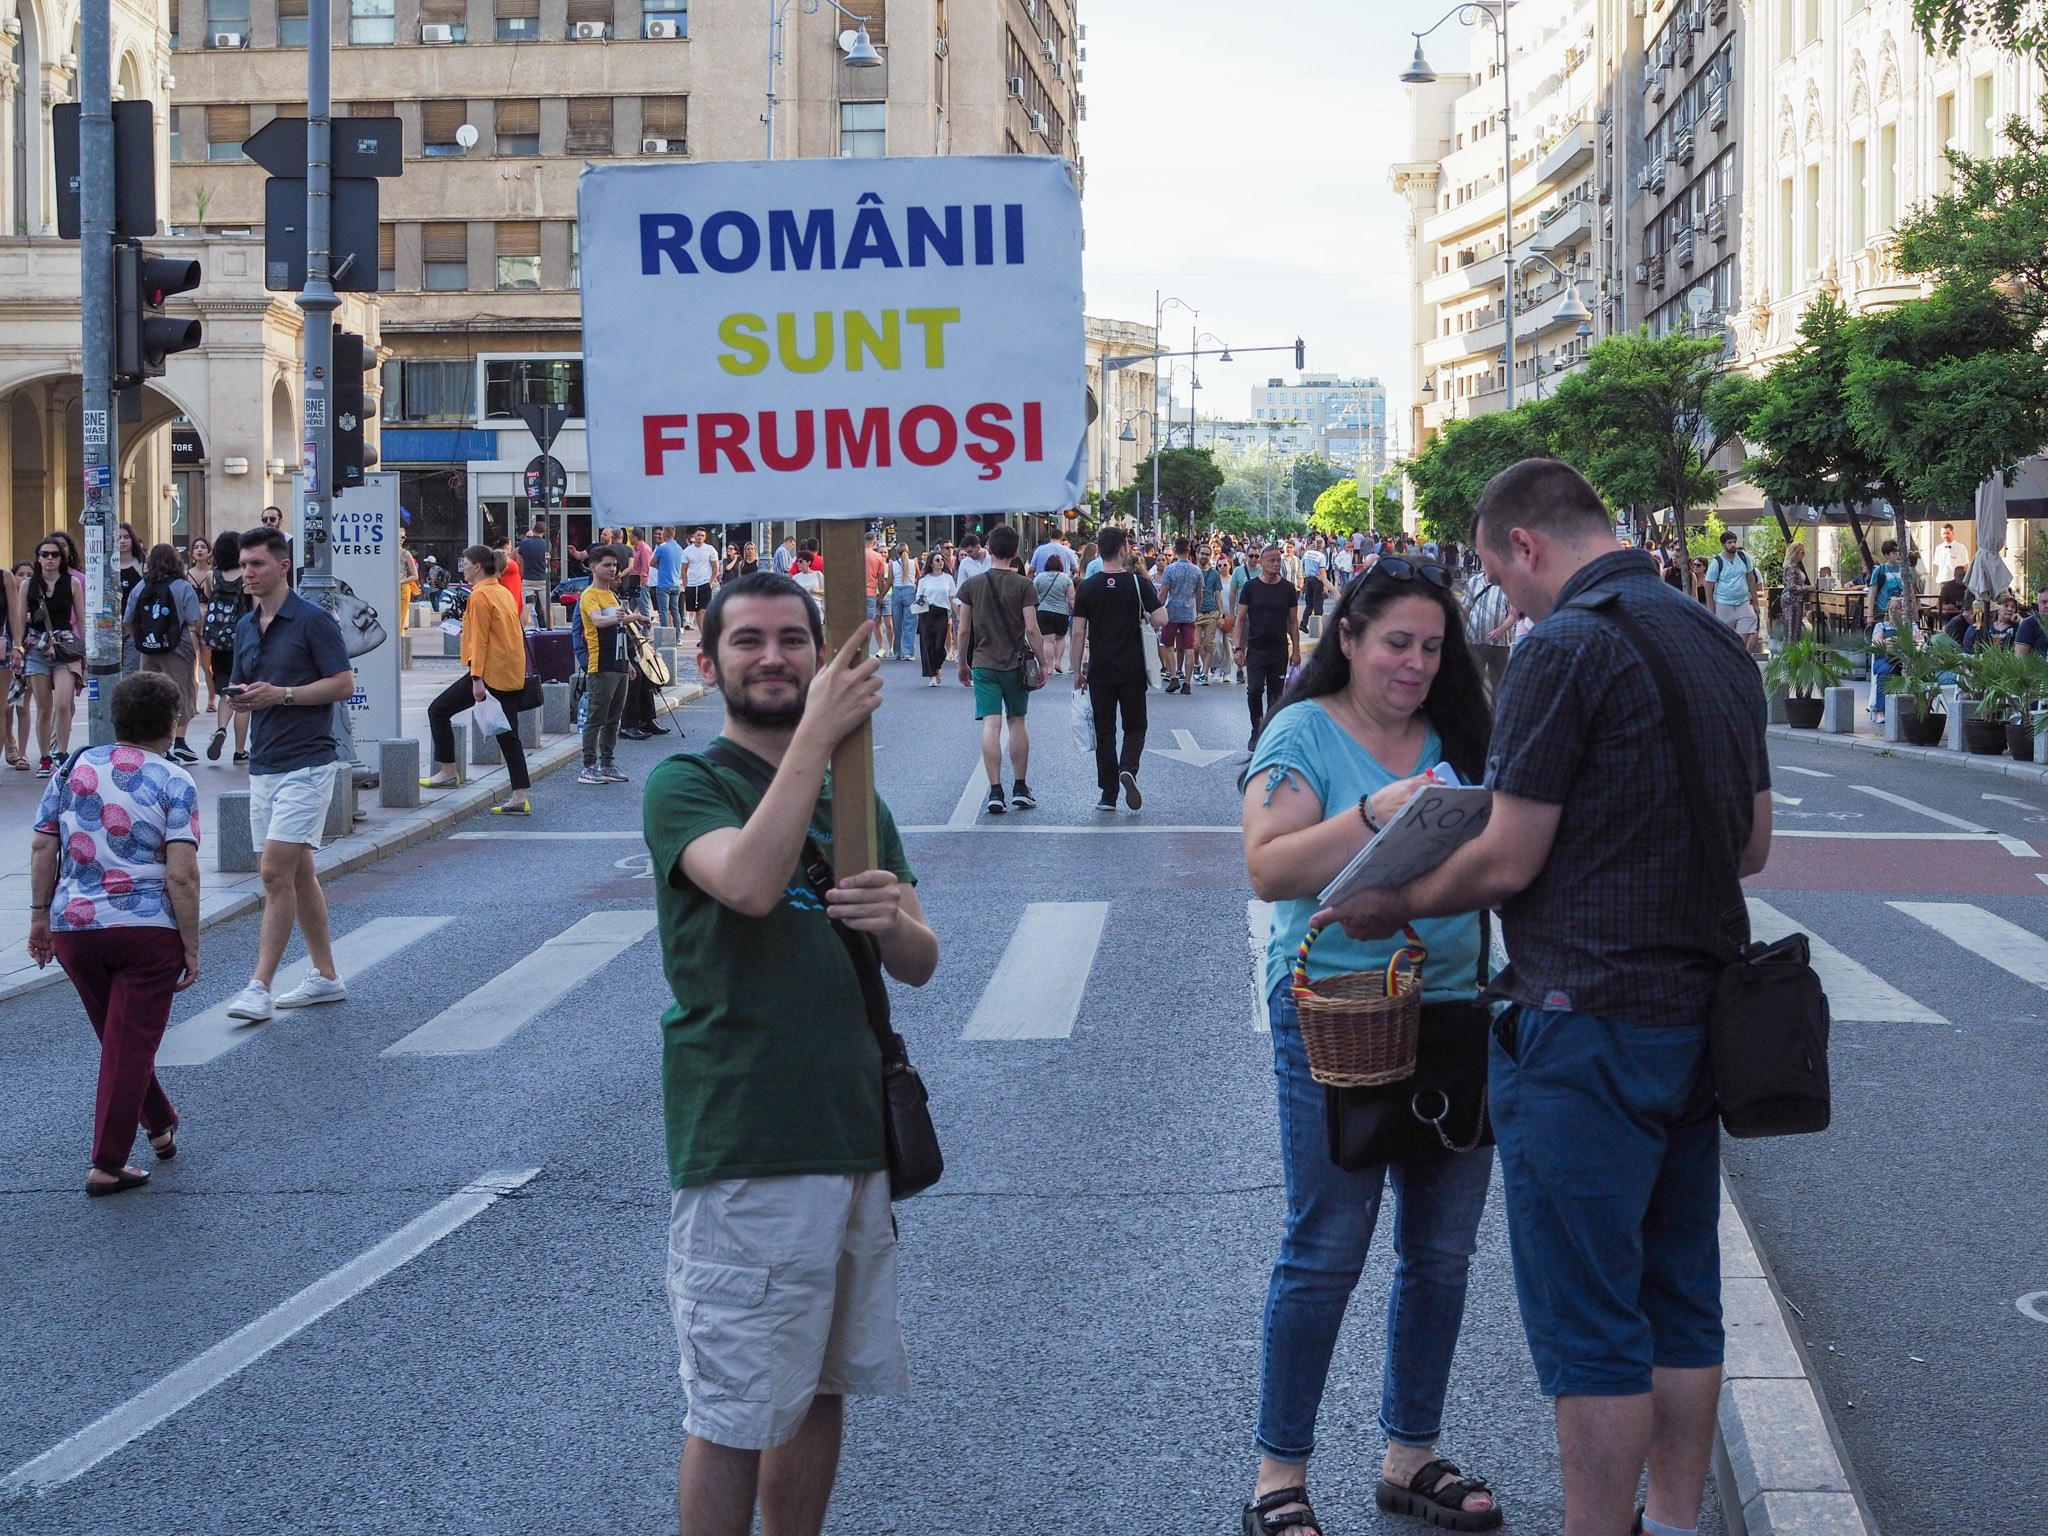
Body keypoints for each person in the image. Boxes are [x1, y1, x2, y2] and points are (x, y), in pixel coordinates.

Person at [1316, 459, 1771, 1536]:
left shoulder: (1562, 646)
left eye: (1495, 574)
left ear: (1523, 544)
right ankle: (1669, 1522)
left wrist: (1392, 899)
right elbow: (1751, 845)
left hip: (1581, 1026)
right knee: (1679, 1301)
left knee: (1589, 1327)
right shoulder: (1710, 635)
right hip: (1698, 1021)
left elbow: (1507, 858)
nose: (1503, 600)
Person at [642, 574, 937, 1536]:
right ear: (707, 663)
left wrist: (894, 922)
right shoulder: (686, 783)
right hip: (746, 1137)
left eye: (792, 641)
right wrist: (817, 735)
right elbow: (751, 884)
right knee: (732, 1413)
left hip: (850, 1132)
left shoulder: (859, 798)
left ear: (820, 654)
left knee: (819, 1389)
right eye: (747, 642)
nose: (772, 658)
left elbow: (922, 961)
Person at [1238, 549, 1501, 1536]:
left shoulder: (1456, 730)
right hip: (1334, 1012)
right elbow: (1268, 868)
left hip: (1450, 1005)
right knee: (1326, 1245)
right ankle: (1278, 1471)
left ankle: (1409, 1455)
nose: (1414, 664)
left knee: (1440, 1252)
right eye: (1395, 642)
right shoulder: (1301, 729)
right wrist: (1371, 814)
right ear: (1344, 636)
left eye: (1431, 648)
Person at [29, 672, 201, 1197]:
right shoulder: (176, 781)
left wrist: (39, 917)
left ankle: (161, 1122)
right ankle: (107, 1162)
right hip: (146, 932)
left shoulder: (74, 766)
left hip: (76, 929)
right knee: (127, 1043)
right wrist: (191, 946)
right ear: (171, 725)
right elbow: (181, 874)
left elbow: (42, 847)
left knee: (120, 1036)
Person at [221, 527, 358, 1024]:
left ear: (283, 566)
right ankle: (326, 975)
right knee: (299, 874)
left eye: (256, 564)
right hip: (264, 761)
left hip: (309, 761)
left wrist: (281, 695)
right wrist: (236, 698)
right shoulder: (245, 626)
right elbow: (244, 683)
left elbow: (343, 682)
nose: (247, 574)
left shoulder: (312, 621)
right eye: (242, 565)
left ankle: (259, 986)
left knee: (274, 872)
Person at [423, 546, 534, 814]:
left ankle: (448, 770)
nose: (462, 566)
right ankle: (519, 796)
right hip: (509, 671)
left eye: (466, 562)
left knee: (438, 710)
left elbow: (480, 640)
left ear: (478, 567)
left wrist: (476, 678)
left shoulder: (481, 595)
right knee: (509, 736)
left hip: (490, 673)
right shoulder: (502, 591)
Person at [1069, 526, 1165, 813]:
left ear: (1098, 550)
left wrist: (1076, 670)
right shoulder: (1139, 585)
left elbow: (1078, 633)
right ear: (1123, 550)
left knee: (1105, 731)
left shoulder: (1087, 586)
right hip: (1133, 669)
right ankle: (1129, 769)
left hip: (1100, 670)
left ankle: (1108, 795)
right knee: (1135, 726)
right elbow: (1161, 619)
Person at [956, 524, 1042, 814]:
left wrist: (961, 663)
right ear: (1016, 553)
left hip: (983, 663)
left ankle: (995, 791)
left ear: (988, 550)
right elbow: (1031, 627)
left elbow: (963, 628)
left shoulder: (971, 585)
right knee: (1017, 721)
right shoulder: (1024, 585)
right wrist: (1044, 662)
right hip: (1016, 664)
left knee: (991, 726)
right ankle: (1020, 787)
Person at [125, 542, 205, 764]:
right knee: (181, 692)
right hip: (178, 648)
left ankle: (155, 742)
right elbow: (193, 619)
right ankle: (179, 741)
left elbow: (128, 619)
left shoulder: (140, 587)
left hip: (148, 649)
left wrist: (140, 639)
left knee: (150, 694)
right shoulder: (182, 587)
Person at [15, 535, 87, 776]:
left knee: (63, 704)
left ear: (62, 558)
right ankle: (45, 757)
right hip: (36, 648)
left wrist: (84, 650)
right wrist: (18, 646)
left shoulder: (72, 583)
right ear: (38, 558)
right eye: (44, 554)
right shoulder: (29, 585)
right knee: (44, 708)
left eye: (54, 554)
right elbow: (19, 619)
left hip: (65, 647)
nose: (49, 558)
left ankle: (62, 753)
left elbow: (81, 617)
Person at [577, 544, 637, 785]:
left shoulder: (611, 594)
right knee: (596, 717)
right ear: (593, 567)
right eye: (607, 565)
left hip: (619, 663)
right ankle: (589, 766)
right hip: (601, 664)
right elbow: (598, 621)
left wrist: (630, 662)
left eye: (615, 565)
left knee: (614, 718)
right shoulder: (589, 595)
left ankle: (607, 763)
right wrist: (623, 616)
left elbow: (620, 627)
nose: (613, 569)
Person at [1237, 545, 1302, 750]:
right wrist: (1238, 647)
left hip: (1279, 649)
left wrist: (1297, 651)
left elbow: (1293, 622)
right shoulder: (1250, 587)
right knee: (1254, 690)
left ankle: (1270, 734)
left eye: (1278, 560)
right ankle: (1256, 730)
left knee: (1276, 695)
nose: (1275, 564)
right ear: (1262, 563)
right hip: (1256, 648)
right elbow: (1240, 619)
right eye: (1271, 560)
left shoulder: (1288, 589)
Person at [201, 530, 253, 764]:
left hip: (219, 643)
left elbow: (209, 596)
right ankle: (240, 751)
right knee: (243, 694)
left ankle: (221, 728)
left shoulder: (212, 576)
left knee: (225, 690)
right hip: (242, 639)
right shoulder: (246, 575)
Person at [1157, 536, 1202, 695]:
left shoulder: (1170, 569)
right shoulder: (1196, 570)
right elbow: (1199, 594)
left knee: (1169, 645)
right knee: (1189, 647)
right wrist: (1196, 610)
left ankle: (1174, 676)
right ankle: (1188, 683)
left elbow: (1164, 592)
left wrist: (1158, 609)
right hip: (1189, 612)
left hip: (1172, 612)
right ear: (1189, 550)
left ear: (1175, 550)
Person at [1705, 530, 1760, 653]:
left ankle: (1740, 658)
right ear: (1723, 545)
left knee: (1744, 634)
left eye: (1734, 542)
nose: (1733, 545)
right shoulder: (1716, 562)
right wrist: (1712, 611)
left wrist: (1755, 602)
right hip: (1723, 603)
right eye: (1729, 542)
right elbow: (1708, 588)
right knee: (1723, 639)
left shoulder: (1743, 557)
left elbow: (1751, 580)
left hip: (1743, 602)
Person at [913, 552, 955, 686]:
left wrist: (957, 614)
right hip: (927, 612)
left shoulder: (948, 578)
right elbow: (918, 596)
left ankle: (937, 666)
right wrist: (921, 600)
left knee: (938, 645)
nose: (940, 562)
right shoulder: (924, 580)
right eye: (937, 560)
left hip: (942, 613)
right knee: (928, 644)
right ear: (931, 563)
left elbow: (952, 598)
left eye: (942, 560)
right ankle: (932, 675)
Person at [1034, 556, 1074, 677]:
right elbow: (1071, 598)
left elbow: (1034, 595)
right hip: (1062, 612)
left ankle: (1049, 667)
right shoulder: (1066, 579)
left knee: (1048, 641)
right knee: (1060, 638)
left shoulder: (1039, 577)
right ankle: (1058, 662)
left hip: (1044, 611)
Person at [680, 528, 720, 629]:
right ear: (694, 536)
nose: (700, 538)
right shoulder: (687, 551)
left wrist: (711, 582)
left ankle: (706, 635)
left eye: (702, 535)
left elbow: (715, 567)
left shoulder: (710, 549)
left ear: (705, 537)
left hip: (705, 583)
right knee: (697, 611)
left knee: (704, 610)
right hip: (692, 584)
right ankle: (702, 635)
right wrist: (686, 585)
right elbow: (684, 569)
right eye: (698, 535)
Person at [887, 544, 919, 662]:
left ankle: (897, 652)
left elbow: (890, 581)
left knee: (897, 623)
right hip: (910, 592)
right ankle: (908, 653)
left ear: (897, 552)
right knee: (910, 624)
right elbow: (919, 577)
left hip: (897, 592)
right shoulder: (913, 562)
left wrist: (881, 596)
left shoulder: (893, 564)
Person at [650, 526, 685, 629]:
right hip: (675, 583)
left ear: (664, 535)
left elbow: (652, 563)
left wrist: (660, 567)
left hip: (663, 584)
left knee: (664, 611)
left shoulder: (662, 548)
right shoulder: (679, 548)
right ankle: (678, 636)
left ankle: (665, 636)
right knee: (675, 610)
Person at [518, 520, 551, 627]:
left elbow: (520, 559)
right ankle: (551, 631)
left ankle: (521, 633)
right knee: (546, 608)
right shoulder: (547, 544)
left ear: (533, 530)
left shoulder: (524, 543)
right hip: (543, 580)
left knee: (526, 607)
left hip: (528, 580)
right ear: (544, 532)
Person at [1780, 541, 1813, 644]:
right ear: (1795, 553)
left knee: (1795, 630)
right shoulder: (1791, 568)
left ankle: (1792, 653)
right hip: (1791, 601)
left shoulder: (1794, 567)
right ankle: (1789, 654)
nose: (1803, 555)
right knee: (1791, 630)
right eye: (1802, 552)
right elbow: (1792, 587)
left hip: (1795, 601)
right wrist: (1808, 588)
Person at [2015, 590, 2048, 656]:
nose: (2047, 605)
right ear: (2038, 604)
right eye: (2043, 602)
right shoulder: (2028, 624)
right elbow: (2019, 658)